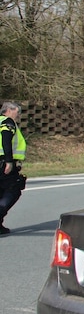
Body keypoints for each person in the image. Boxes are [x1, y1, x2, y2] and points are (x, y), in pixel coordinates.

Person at [0, 101, 27, 235]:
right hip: (4, 162)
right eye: (17, 112)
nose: (19, 115)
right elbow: (6, 140)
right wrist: (9, 161)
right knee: (14, 190)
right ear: (9, 110)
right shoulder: (7, 122)